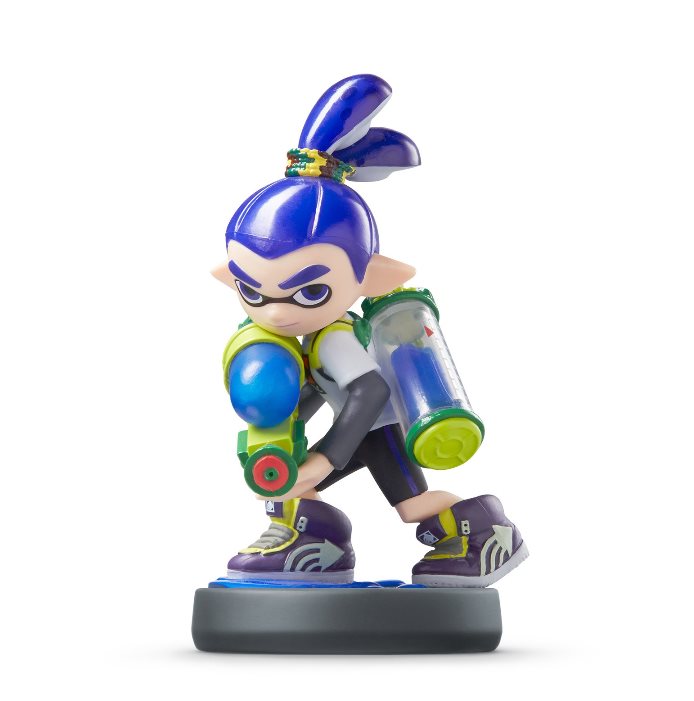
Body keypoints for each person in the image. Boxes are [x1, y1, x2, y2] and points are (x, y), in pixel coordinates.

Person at [212, 74, 528, 587]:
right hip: (355, 427)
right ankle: (317, 542)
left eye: (309, 292)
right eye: (252, 289)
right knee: (290, 483)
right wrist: (285, 428)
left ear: (370, 278)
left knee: (409, 505)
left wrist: (323, 457)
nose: (278, 313)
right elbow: (319, 388)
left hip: (376, 430)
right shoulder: (308, 338)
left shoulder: (334, 338)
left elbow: (369, 390)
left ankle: (488, 533)